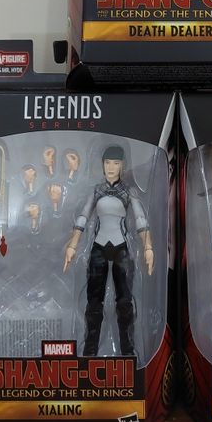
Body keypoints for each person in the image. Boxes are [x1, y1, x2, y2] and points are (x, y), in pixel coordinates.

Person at [63, 145, 154, 356]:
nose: (111, 167)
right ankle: (90, 350)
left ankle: (127, 350)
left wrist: (148, 246)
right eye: (107, 163)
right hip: (99, 248)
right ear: (102, 165)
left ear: (122, 166)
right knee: (94, 302)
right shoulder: (97, 190)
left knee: (124, 302)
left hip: (121, 248)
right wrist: (72, 245)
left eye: (116, 163)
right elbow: (83, 217)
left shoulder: (128, 192)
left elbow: (140, 219)